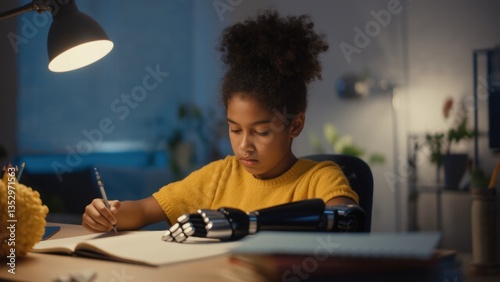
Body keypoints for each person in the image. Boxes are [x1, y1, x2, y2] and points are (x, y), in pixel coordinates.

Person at [82, 9, 359, 233]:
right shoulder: (219, 177)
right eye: (235, 129)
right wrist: (110, 214)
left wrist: (249, 224)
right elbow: (143, 211)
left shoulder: (319, 178)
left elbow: (347, 220)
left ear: (295, 125)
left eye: (261, 132)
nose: (244, 146)